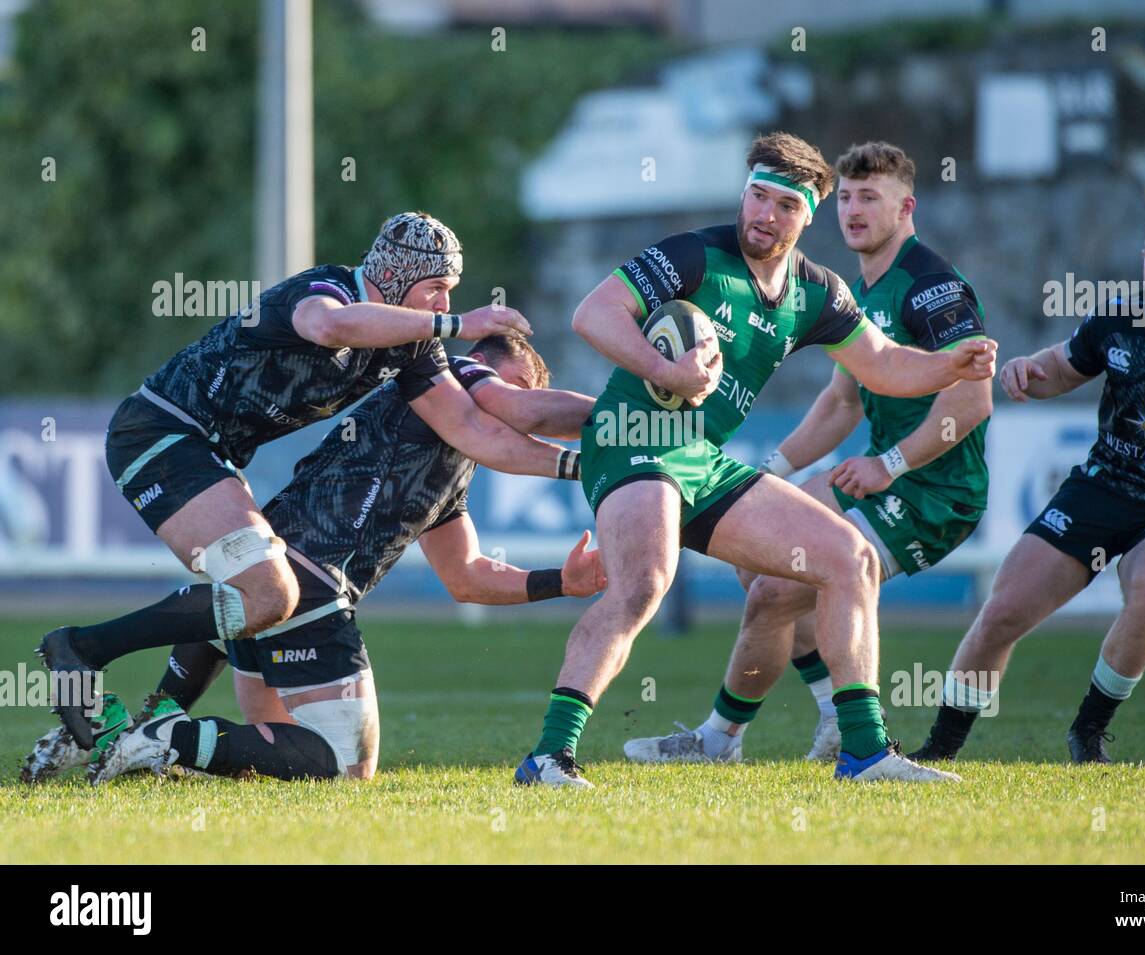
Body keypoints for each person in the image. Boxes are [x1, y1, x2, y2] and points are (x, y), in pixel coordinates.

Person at [514, 132, 996, 788]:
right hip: (634, 436)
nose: (763, 214)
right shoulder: (697, 254)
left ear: (807, 215)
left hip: (701, 458)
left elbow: (883, 365)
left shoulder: (817, 292)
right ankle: (548, 758)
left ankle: (864, 752)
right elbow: (592, 313)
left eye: (784, 205)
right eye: (756, 196)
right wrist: (667, 371)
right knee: (644, 583)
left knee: (846, 559)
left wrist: (950, 362)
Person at [39, 213, 577, 750]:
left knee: (260, 591)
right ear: (396, 276)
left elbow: (474, 429)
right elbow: (328, 326)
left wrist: (584, 464)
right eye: (436, 288)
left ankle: (148, 722)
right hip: (159, 432)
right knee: (269, 591)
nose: (443, 303)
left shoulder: (410, 346)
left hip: (208, 452)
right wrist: (457, 324)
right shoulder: (328, 288)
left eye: (450, 293)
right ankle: (85, 652)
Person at [26, 336, 602, 783]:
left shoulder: (453, 454)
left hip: (285, 575)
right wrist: (618, 427)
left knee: (273, 733)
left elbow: (467, 576)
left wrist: (564, 581)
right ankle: (160, 736)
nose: (520, 403)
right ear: (494, 366)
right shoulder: (458, 372)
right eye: (522, 386)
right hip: (314, 581)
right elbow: (519, 413)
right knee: (344, 763)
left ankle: (149, 722)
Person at [909, 203, 1145, 763]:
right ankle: (939, 751)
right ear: (1143, 257)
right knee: (1002, 612)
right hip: (1101, 488)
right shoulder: (1117, 317)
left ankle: (1088, 733)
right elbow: (1064, 368)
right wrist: (1025, 372)